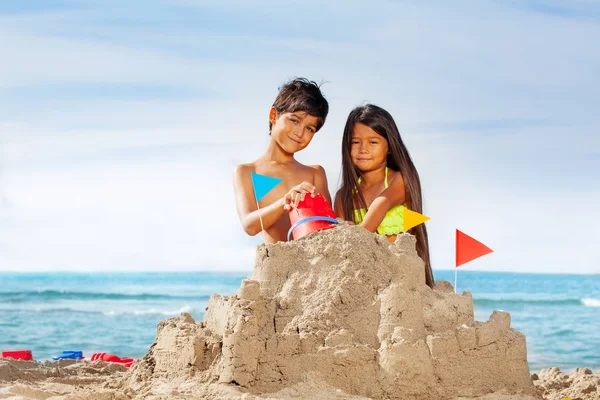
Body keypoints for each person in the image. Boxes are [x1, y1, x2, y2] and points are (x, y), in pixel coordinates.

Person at [334, 104, 434, 287]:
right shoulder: (343, 196)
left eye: (373, 142)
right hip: (364, 283)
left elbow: (382, 202)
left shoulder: (401, 179)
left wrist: (358, 233)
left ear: (389, 146)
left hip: (400, 282)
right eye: (355, 142)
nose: (363, 149)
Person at [233, 78, 331, 244]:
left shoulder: (315, 173)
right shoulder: (249, 172)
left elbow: (329, 225)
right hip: (278, 265)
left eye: (309, 128)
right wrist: (285, 201)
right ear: (273, 115)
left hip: (315, 264)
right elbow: (249, 225)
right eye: (294, 120)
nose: (300, 132)